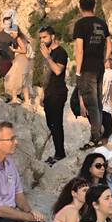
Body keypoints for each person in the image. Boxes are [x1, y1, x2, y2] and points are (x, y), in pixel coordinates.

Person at [72, 0, 111, 148]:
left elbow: (79, 50)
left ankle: (95, 137)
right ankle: (98, 134)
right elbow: (109, 45)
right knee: (98, 102)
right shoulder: (102, 23)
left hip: (87, 68)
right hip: (99, 67)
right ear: (94, 7)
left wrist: (77, 71)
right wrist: (104, 59)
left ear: (80, 8)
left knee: (91, 103)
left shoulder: (80, 24)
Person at [39, 26, 68, 165]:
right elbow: (46, 75)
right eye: (40, 38)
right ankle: (58, 152)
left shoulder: (61, 52)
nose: (42, 40)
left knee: (56, 124)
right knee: (50, 123)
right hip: (49, 93)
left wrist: (47, 57)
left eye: (44, 37)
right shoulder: (47, 53)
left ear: (53, 36)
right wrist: (42, 93)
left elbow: (57, 70)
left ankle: (60, 154)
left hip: (58, 92)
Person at [3, 22, 33, 105]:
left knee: (12, 78)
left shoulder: (19, 38)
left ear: (15, 31)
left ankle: (14, 99)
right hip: (25, 60)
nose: (11, 35)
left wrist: (14, 50)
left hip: (21, 60)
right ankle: (27, 100)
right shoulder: (23, 38)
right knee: (23, 81)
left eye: (11, 33)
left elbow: (24, 50)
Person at [0, 11, 18, 78]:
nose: (8, 26)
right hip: (4, 61)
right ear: (3, 24)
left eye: (9, 24)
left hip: (15, 60)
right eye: (6, 24)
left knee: (15, 79)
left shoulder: (13, 33)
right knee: (6, 79)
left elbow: (17, 44)